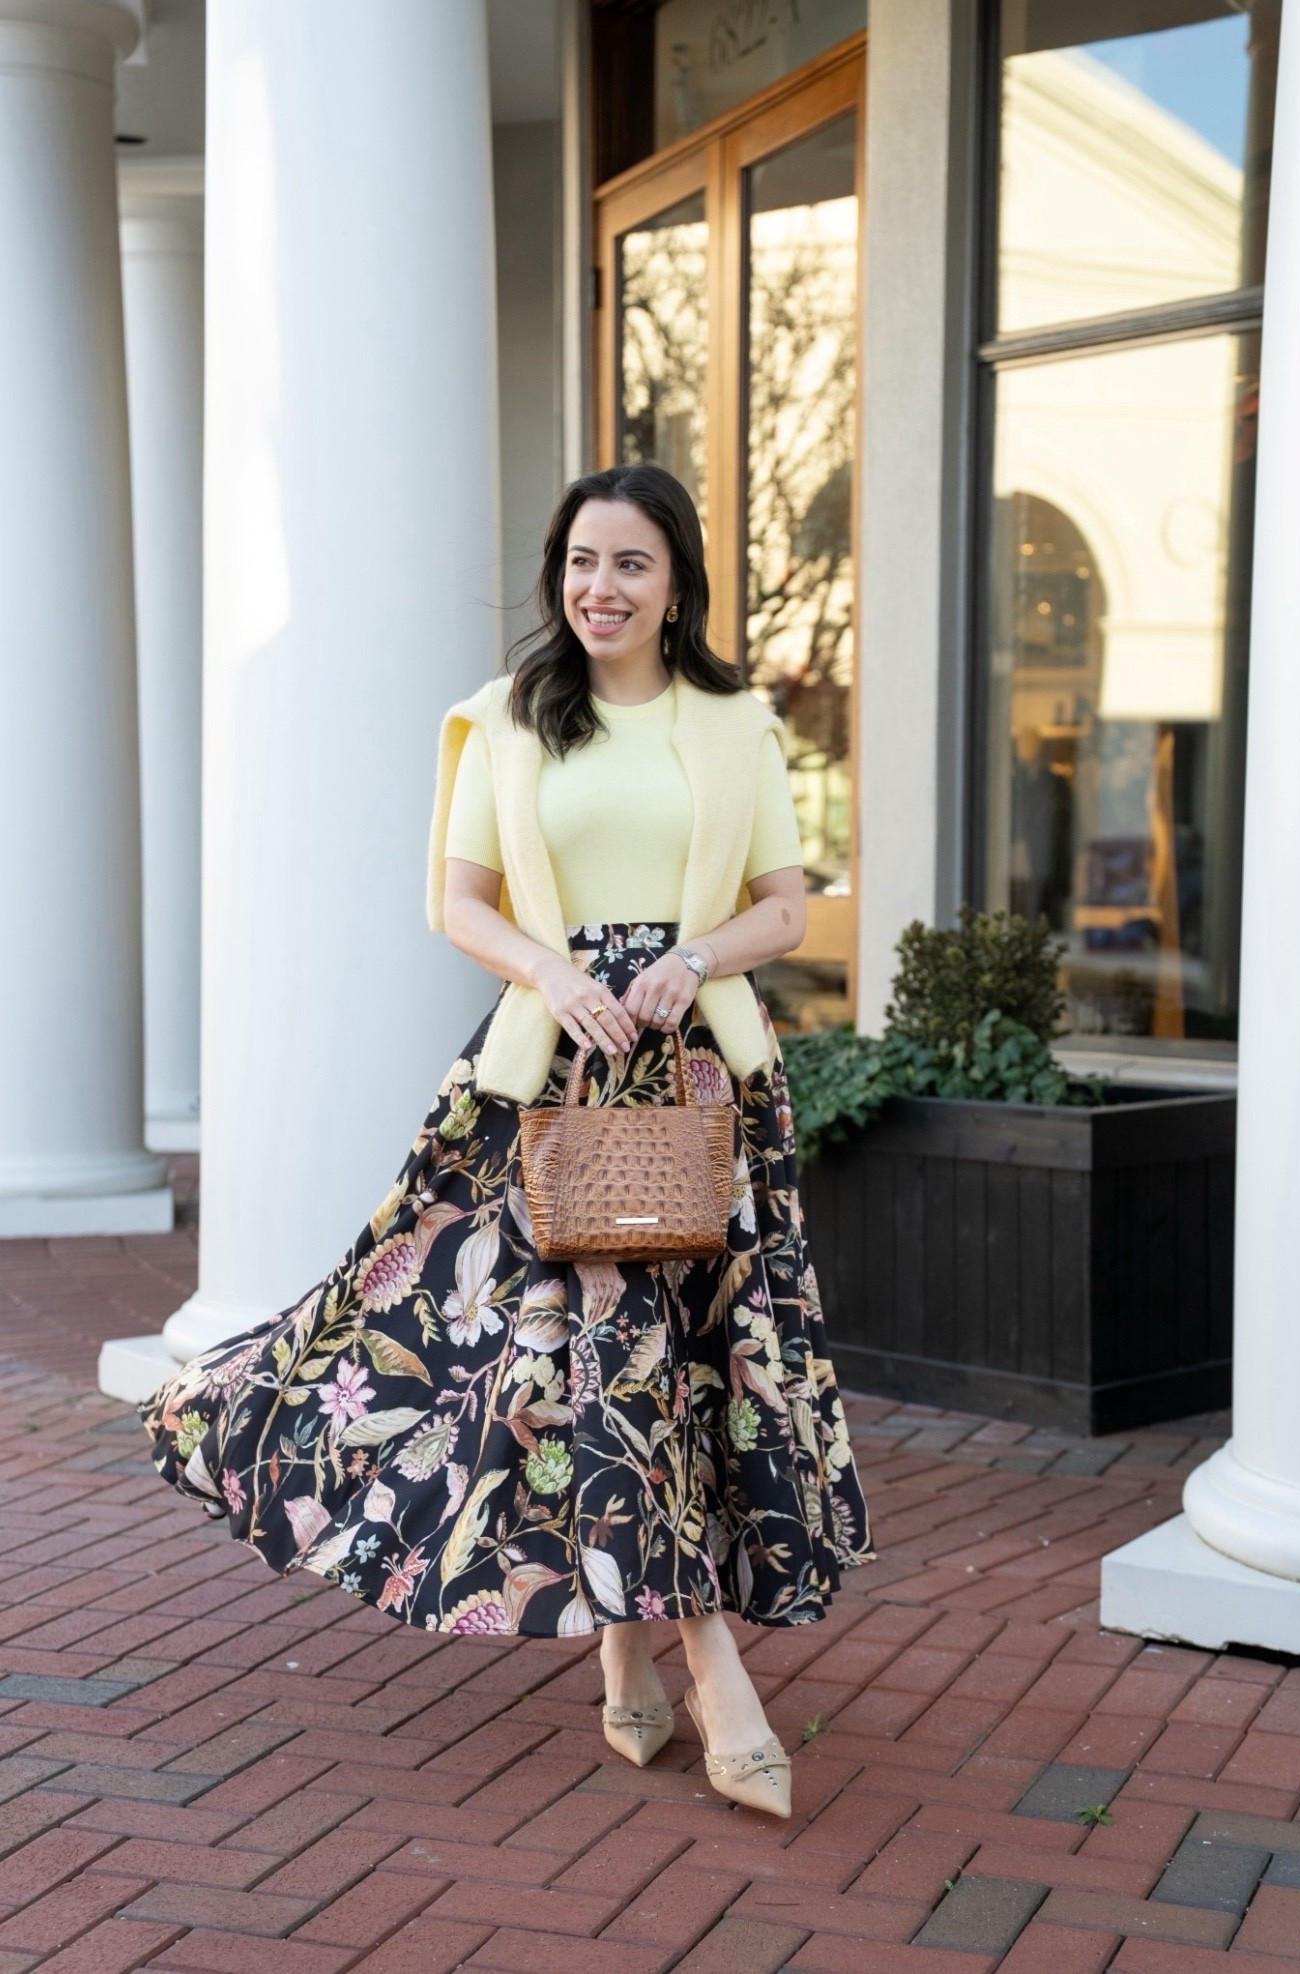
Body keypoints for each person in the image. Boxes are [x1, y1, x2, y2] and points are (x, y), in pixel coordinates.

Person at [138, 462, 873, 1820]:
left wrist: (693, 951)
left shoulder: (735, 724)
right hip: (553, 1079)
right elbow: (458, 900)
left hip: (698, 1082)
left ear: (678, 583)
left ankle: (624, 1650)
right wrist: (556, 970)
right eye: (582, 560)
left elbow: (788, 905)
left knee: (674, 1371)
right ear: (560, 573)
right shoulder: (506, 723)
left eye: (631, 564)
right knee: (581, 1362)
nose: (601, 586)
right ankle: (711, 1669)